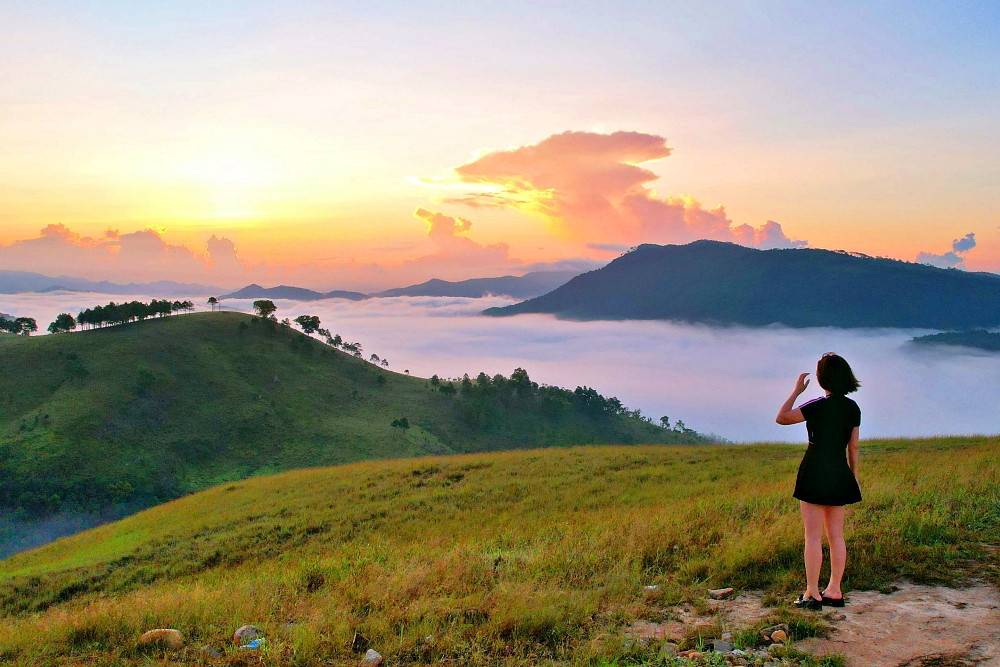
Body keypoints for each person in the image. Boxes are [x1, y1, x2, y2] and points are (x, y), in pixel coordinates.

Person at [775, 352, 861, 611]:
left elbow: (782, 417)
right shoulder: (852, 408)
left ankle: (812, 592)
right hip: (839, 471)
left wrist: (796, 391)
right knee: (836, 536)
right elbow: (853, 448)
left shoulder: (816, 406)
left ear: (822, 380)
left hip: (813, 471)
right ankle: (835, 590)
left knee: (812, 536)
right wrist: (853, 478)